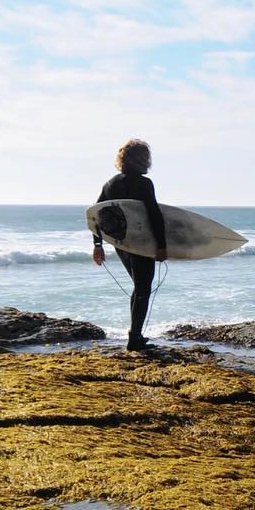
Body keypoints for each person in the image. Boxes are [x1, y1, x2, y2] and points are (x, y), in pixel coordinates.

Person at [92, 138, 169, 351]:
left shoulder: (111, 184)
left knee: (140, 287)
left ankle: (135, 335)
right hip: (142, 243)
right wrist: (162, 246)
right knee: (143, 288)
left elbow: (97, 215)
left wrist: (97, 244)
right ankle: (134, 339)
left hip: (122, 244)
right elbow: (154, 215)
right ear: (142, 159)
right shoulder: (144, 184)